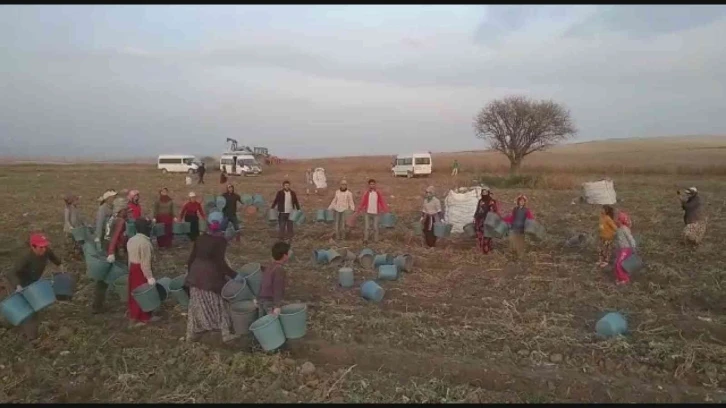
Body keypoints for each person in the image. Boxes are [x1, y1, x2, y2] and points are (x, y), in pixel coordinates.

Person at [185, 217, 239, 343]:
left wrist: (190, 274)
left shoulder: (201, 238)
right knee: (220, 304)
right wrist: (234, 275)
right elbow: (220, 263)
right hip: (210, 277)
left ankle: (192, 334)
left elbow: (190, 259)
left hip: (195, 274)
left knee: (196, 305)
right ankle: (225, 334)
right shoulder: (220, 241)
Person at [9, 233, 61, 340]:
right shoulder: (26, 258)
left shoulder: (46, 251)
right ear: (33, 247)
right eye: (41, 247)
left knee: (34, 305)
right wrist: (18, 286)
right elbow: (12, 273)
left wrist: (60, 266)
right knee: (28, 309)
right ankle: (30, 336)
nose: (44, 249)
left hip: (33, 281)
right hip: (20, 282)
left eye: (45, 246)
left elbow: (53, 257)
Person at [126, 218, 160, 325]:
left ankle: (133, 314)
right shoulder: (145, 243)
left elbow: (129, 258)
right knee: (142, 293)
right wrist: (149, 277)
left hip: (132, 267)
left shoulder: (131, 239)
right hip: (140, 270)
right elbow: (145, 263)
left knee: (133, 292)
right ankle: (142, 317)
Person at [258, 241, 291, 317]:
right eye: (288, 253)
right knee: (272, 324)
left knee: (263, 324)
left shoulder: (270, 266)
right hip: (270, 302)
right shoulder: (279, 269)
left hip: (262, 300)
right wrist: (277, 306)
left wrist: (257, 298)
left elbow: (263, 283)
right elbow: (278, 288)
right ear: (284, 255)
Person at [503, 194, 535, 261]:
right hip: (514, 227)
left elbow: (530, 218)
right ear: (518, 202)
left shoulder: (526, 210)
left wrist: (531, 225)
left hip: (521, 229)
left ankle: (520, 257)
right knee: (512, 240)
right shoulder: (515, 209)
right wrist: (504, 219)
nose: (522, 202)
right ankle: (512, 255)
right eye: (520, 201)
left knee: (520, 243)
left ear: (525, 202)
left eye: (523, 201)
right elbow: (512, 217)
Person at [356, 179, 389, 243]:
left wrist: (385, 210)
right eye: (371, 184)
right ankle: (366, 240)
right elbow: (363, 202)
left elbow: (381, 201)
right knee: (367, 227)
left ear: (375, 185)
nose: (372, 185)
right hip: (367, 212)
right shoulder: (367, 193)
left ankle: (376, 240)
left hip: (376, 213)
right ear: (369, 185)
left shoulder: (377, 193)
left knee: (375, 227)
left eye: (373, 184)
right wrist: (358, 210)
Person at [473, 188, 499, 254]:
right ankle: (481, 249)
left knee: (487, 236)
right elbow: (478, 209)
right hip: (479, 220)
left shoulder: (491, 201)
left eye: (486, 192)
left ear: (488, 193)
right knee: (480, 236)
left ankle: (487, 250)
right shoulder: (480, 201)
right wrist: (475, 217)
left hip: (488, 221)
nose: (484, 194)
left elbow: (494, 211)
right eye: (483, 192)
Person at [613, 211, 636, 285]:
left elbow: (630, 238)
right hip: (620, 249)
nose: (616, 220)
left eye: (618, 219)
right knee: (617, 263)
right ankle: (620, 277)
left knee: (619, 264)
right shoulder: (618, 229)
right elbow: (617, 240)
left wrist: (633, 247)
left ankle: (625, 279)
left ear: (621, 220)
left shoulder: (624, 229)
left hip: (626, 249)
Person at [106, 197, 129, 263]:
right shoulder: (120, 221)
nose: (126, 211)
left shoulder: (113, 218)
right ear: (121, 210)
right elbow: (115, 236)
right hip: (117, 247)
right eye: (125, 210)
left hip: (108, 244)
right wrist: (111, 252)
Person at [62, 193, 85, 259]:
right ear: (72, 201)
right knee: (70, 243)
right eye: (76, 200)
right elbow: (67, 221)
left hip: (76, 229)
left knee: (77, 242)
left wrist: (83, 224)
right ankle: (69, 256)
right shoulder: (67, 209)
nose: (78, 202)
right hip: (70, 231)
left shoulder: (76, 208)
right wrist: (70, 227)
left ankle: (76, 254)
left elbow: (80, 218)